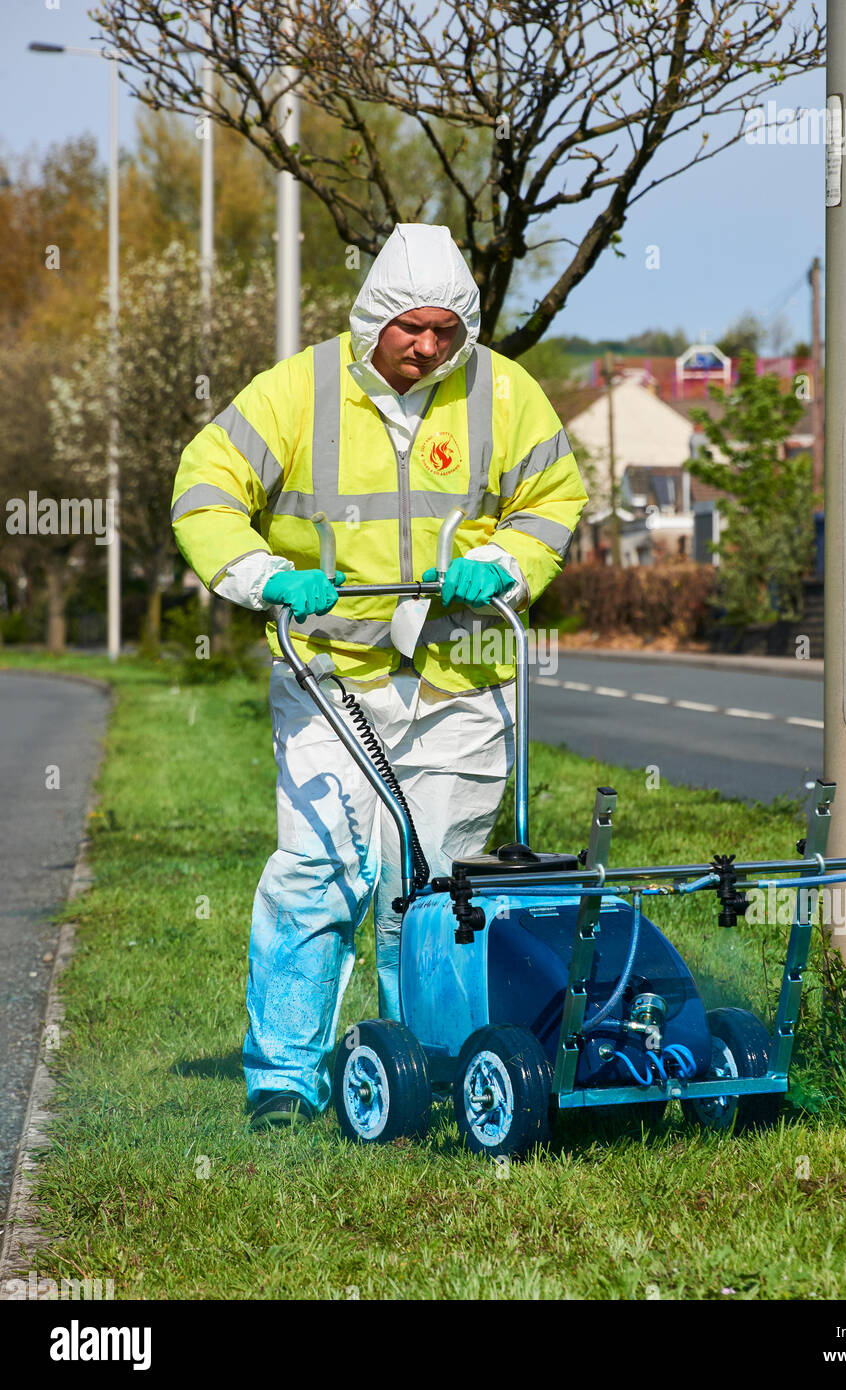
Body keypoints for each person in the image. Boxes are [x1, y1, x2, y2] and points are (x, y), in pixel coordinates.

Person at [171, 223, 587, 1129]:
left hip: (460, 676)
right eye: (411, 328)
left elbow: (554, 498)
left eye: (446, 330)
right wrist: (266, 577)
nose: (428, 347)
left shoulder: (503, 392)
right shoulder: (301, 390)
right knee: (316, 870)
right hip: (333, 675)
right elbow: (205, 484)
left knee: (436, 888)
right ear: (373, 319)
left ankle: (428, 1069)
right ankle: (285, 1077)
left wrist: (506, 563)